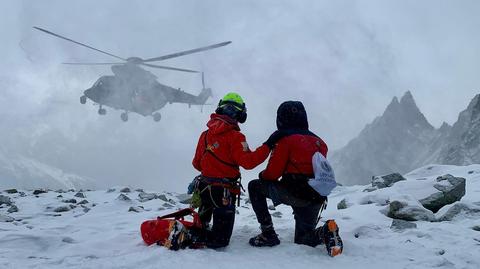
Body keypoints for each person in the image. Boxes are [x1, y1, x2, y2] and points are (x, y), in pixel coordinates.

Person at [248, 101, 343, 257]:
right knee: (304, 239)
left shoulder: (285, 140)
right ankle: (325, 231)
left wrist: (262, 176)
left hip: (294, 193)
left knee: (254, 186)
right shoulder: (320, 142)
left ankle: (267, 234)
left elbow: (272, 174)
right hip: (316, 197)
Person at [191, 92, 285, 249]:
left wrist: (213, 166)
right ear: (240, 115)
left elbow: (196, 163)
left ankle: (195, 232)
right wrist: (268, 145)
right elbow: (248, 162)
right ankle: (194, 236)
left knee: (202, 228)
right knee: (220, 241)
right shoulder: (236, 137)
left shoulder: (205, 135)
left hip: (204, 190)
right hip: (224, 194)